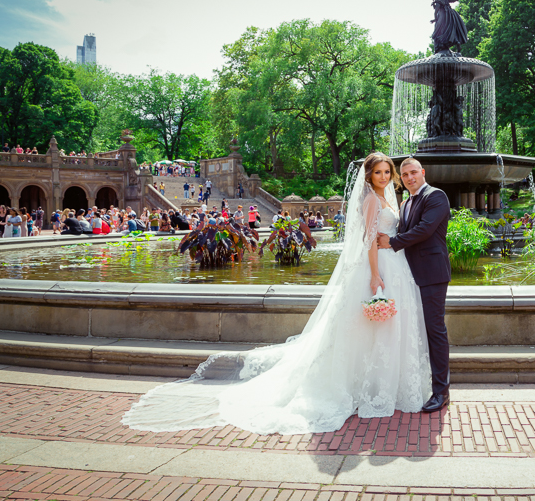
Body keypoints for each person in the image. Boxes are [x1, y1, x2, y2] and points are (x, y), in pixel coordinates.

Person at [123, 152, 432, 436]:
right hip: (378, 270)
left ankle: (384, 383)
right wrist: (375, 274)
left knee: (386, 329)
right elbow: (367, 242)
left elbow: (392, 234)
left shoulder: (392, 199)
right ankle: (365, 385)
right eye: (377, 172)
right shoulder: (372, 202)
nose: (382, 176)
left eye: (385, 171)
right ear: (369, 176)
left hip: (397, 268)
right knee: (366, 329)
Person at [377, 156, 452, 412]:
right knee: (417, 330)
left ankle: (441, 393)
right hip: (408, 275)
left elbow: (426, 229)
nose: (409, 178)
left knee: (434, 331)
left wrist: (393, 243)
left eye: (413, 173)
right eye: (405, 175)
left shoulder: (436, 196)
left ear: (422, 172)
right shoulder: (407, 201)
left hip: (432, 274)